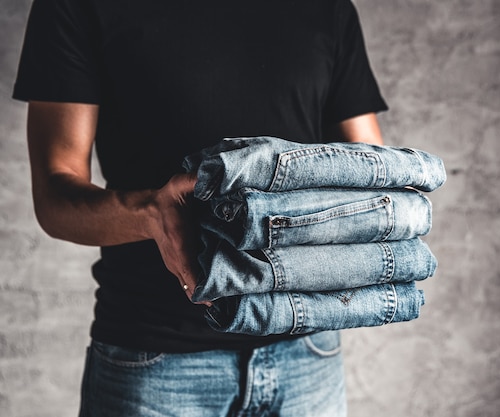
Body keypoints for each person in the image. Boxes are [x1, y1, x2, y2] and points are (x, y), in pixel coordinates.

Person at [13, 0, 388, 415]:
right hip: (156, 360)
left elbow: (372, 173)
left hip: (307, 352)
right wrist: (153, 215)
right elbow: (54, 198)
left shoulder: (326, 8)